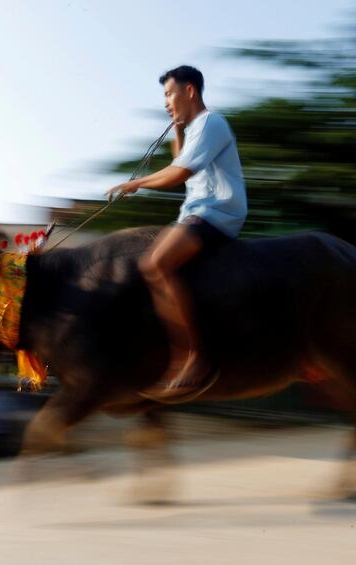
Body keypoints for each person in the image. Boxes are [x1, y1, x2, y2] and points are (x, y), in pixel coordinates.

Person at [107, 65, 247, 399]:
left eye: (170, 94)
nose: (166, 102)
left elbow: (177, 173)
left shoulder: (212, 122)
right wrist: (178, 130)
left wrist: (136, 182)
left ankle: (195, 357)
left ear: (189, 91)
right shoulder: (198, 127)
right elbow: (181, 162)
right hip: (198, 212)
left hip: (214, 213)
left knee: (154, 265)